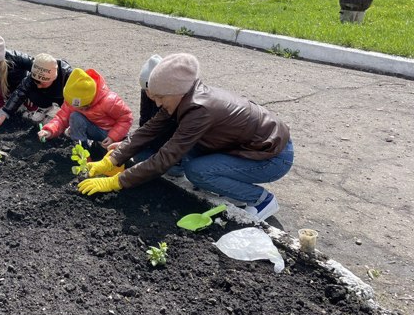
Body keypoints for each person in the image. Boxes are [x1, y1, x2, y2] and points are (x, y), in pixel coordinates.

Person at [78, 53, 293, 222]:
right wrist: (110, 160)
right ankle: (233, 189)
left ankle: (262, 200)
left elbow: (166, 158)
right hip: (245, 148)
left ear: (175, 91)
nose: (158, 104)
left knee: (197, 171)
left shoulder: (200, 109)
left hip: (272, 157)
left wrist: (116, 182)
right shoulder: (185, 97)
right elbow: (149, 130)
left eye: (160, 97)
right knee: (189, 157)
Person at [38, 68, 133, 150]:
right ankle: (83, 148)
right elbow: (61, 118)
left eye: (81, 107)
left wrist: (113, 137)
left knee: (113, 155)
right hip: (92, 128)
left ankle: (98, 146)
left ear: (89, 101)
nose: (75, 108)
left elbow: (126, 118)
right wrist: (49, 130)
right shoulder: (73, 100)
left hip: (108, 133)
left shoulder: (109, 101)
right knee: (75, 116)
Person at [0, 53, 72, 131]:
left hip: (63, 97)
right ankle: (44, 108)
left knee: (69, 113)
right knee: (30, 90)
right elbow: (19, 93)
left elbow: (77, 100)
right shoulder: (33, 77)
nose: (38, 86)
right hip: (46, 96)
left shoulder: (67, 76)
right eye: (36, 82)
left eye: (42, 83)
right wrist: (3, 115)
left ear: (53, 78)